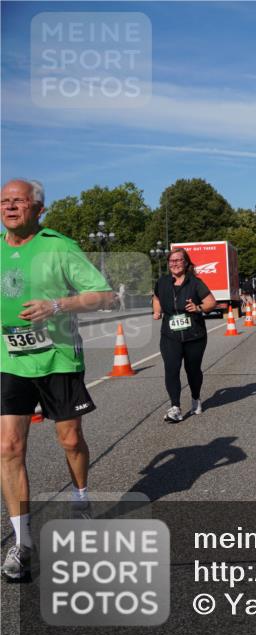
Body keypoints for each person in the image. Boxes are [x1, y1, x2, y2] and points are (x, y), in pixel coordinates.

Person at [0, 179, 114, 580]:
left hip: (58, 358)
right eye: (4, 201)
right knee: (9, 447)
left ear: (38, 209)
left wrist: (57, 305)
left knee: (69, 439)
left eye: (19, 201)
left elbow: (105, 296)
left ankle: (81, 501)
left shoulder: (58, 246)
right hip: (10, 360)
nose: (10, 207)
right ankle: (22, 544)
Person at [152, 249, 216, 423]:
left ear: (186, 263)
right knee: (171, 369)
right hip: (169, 335)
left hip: (194, 335)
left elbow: (211, 302)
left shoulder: (195, 283)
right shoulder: (163, 282)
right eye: (171, 261)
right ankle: (175, 407)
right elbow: (156, 298)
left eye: (178, 260)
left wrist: (198, 308)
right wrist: (157, 311)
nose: (174, 263)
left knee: (193, 370)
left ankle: (195, 397)